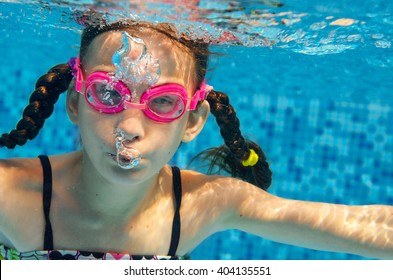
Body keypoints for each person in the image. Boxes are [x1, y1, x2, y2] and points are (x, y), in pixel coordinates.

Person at [0, 18, 392, 260]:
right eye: (108, 93)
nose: (130, 128)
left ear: (193, 120)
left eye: (164, 102)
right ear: (74, 103)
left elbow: (363, 224)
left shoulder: (205, 204)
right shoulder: (9, 193)